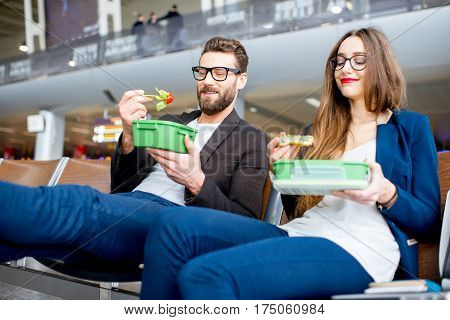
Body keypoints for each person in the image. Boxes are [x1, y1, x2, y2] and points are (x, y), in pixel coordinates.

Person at [138, 27, 441, 299]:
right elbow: (299, 207)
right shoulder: (317, 133)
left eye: (359, 60)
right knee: (170, 224)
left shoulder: (409, 127)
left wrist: (385, 192)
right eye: (339, 61)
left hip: (361, 247)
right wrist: (280, 171)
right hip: (300, 231)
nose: (345, 68)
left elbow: (428, 220)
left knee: (203, 274)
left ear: (380, 65)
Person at [0, 37, 268, 269]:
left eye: (220, 72)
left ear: (241, 80)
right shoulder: (172, 122)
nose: (208, 80)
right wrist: (128, 135)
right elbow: (122, 185)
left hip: (174, 220)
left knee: (76, 203)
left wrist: (195, 181)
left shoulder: (251, 139)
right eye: (202, 71)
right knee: (16, 239)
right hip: (127, 205)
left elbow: (244, 223)